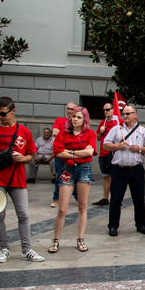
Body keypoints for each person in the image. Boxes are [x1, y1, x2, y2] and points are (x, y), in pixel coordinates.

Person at [0, 97, 45, 263]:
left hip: (17, 178)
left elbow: (31, 155)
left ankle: (26, 249)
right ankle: (4, 248)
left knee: (23, 214)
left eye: (2, 114)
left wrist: (23, 158)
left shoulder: (24, 132)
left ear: (13, 111)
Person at [49, 107, 96, 253]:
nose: (75, 119)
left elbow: (90, 152)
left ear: (85, 120)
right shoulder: (63, 133)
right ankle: (55, 240)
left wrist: (69, 152)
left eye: (79, 117)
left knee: (82, 207)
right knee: (62, 208)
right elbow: (57, 152)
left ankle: (80, 239)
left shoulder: (90, 133)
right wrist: (79, 154)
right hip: (67, 170)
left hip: (83, 169)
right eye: (74, 116)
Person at [103, 105, 145, 236]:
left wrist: (139, 149)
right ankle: (113, 225)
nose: (125, 116)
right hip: (119, 169)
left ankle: (141, 224)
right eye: (123, 114)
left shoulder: (143, 131)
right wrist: (118, 146)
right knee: (116, 199)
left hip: (136, 169)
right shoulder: (116, 129)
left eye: (128, 113)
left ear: (135, 114)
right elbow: (105, 144)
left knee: (138, 198)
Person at [92, 102, 120, 206]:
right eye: (104, 110)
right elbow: (98, 138)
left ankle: (115, 198)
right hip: (103, 153)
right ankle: (105, 198)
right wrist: (100, 132)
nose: (105, 112)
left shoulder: (117, 122)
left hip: (112, 153)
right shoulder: (102, 123)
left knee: (114, 177)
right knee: (106, 177)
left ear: (113, 110)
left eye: (107, 109)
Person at [50, 102, 78, 207]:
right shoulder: (59, 120)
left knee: (74, 176)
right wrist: (69, 136)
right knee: (60, 176)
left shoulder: (78, 120)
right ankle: (56, 198)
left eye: (72, 109)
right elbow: (55, 132)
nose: (70, 111)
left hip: (74, 152)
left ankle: (77, 197)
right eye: (68, 109)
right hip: (61, 153)